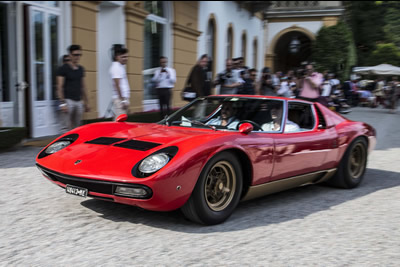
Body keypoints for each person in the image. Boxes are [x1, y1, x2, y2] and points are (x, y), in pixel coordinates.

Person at [57, 44, 90, 133]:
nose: (78, 57)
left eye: (79, 55)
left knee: (77, 127)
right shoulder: (63, 69)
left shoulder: (81, 69)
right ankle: (63, 146)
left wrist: (86, 102)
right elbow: (60, 86)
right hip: (68, 101)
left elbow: (83, 86)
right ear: (70, 55)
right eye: (75, 55)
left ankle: (74, 146)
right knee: (65, 128)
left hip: (78, 101)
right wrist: (62, 103)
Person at [109, 45, 130, 119]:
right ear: (117, 57)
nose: (126, 59)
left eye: (126, 57)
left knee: (121, 122)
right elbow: (117, 85)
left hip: (122, 99)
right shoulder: (116, 67)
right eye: (123, 57)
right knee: (119, 123)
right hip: (120, 100)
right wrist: (123, 101)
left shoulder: (119, 66)